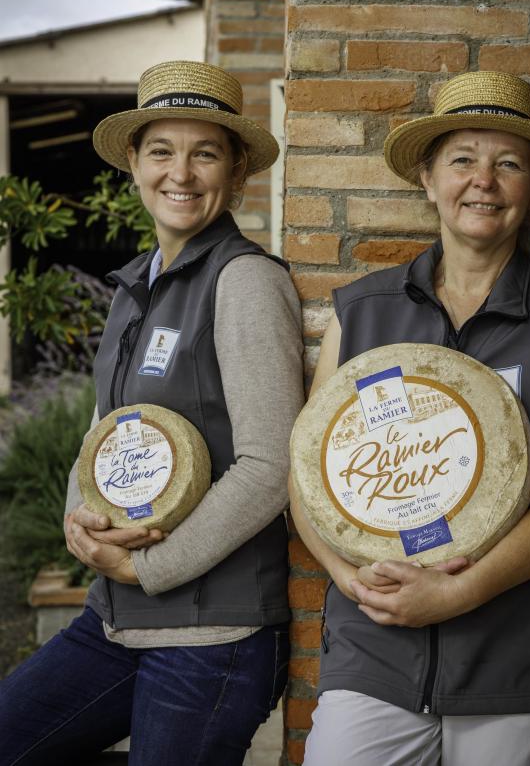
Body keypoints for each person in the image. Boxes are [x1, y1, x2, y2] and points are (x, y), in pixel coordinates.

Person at [290, 71, 530, 766]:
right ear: (427, 179)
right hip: (375, 658)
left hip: (518, 669)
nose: (484, 182)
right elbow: (308, 470)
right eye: (463, 160)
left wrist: (459, 593)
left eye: (509, 164)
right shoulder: (364, 310)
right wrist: (345, 580)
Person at [0, 60, 305, 765]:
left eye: (206, 154)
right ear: (133, 163)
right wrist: (81, 517)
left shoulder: (246, 282)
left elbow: (271, 463)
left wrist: (152, 567)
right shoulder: (133, 284)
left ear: (236, 173)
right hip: (112, 621)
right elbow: (104, 426)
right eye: (162, 151)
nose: (182, 173)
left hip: (212, 638)